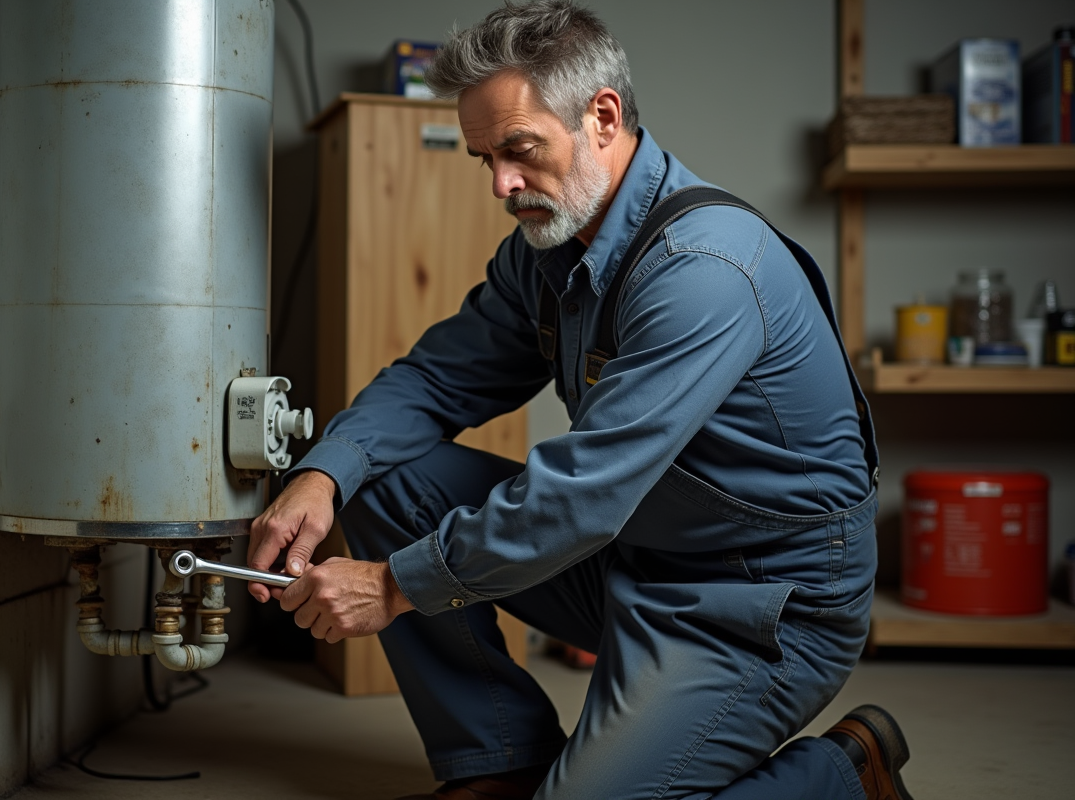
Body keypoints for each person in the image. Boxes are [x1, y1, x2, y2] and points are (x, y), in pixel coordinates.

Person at [248, 3, 914, 798]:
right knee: (385, 472)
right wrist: (321, 476)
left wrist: (392, 586)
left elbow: (586, 490)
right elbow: (432, 381)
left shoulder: (705, 271)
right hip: (636, 554)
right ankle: (501, 762)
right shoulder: (546, 249)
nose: (501, 183)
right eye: (484, 159)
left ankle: (842, 776)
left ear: (601, 116)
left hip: (756, 604)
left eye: (519, 150)